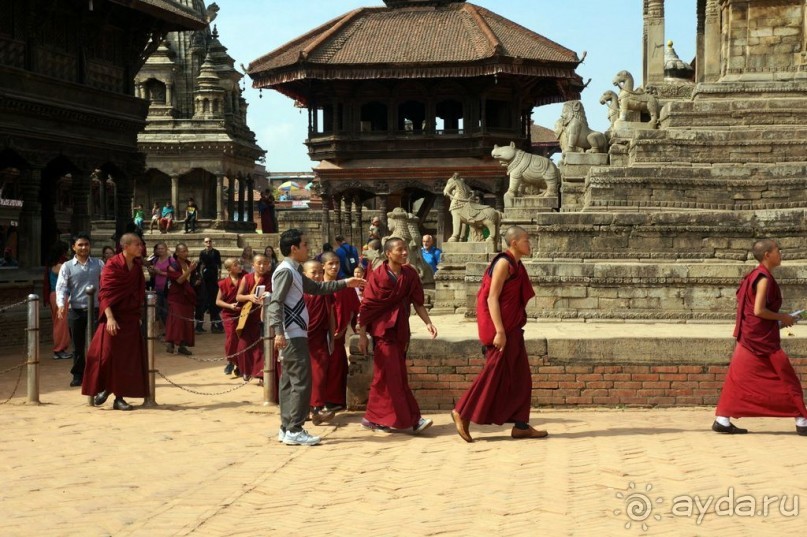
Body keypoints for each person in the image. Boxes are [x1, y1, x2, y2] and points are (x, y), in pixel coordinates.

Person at [268, 228, 365, 446]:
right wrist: (279, 332)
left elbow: (318, 288)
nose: (307, 248)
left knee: (288, 383)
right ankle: (295, 428)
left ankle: (286, 427)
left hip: (295, 333)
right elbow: (276, 303)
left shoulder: (293, 271)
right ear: (294, 248)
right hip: (292, 333)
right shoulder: (285, 271)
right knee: (301, 382)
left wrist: (345, 283)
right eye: (304, 244)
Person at [451, 226, 547, 442]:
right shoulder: (504, 263)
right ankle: (462, 412)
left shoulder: (516, 264)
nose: (529, 244)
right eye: (526, 240)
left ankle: (521, 426)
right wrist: (500, 331)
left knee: (521, 378)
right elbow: (491, 298)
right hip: (501, 329)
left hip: (511, 327)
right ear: (514, 243)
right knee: (492, 374)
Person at [713, 239, 807, 436]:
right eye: (777, 251)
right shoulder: (763, 278)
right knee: (787, 378)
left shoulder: (756, 275)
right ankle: (802, 421)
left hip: (750, 335)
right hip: (761, 340)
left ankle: (722, 419)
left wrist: (780, 322)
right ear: (767, 255)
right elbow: (758, 310)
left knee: (736, 379)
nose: (780, 254)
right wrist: (782, 316)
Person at [357, 238, 436, 434]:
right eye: (399, 250)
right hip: (383, 331)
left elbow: (417, 302)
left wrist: (428, 322)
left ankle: (373, 417)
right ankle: (414, 419)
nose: (404, 253)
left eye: (405, 250)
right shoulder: (378, 276)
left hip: (401, 330)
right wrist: (362, 335)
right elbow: (366, 307)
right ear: (388, 254)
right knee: (395, 376)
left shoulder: (409, 274)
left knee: (384, 376)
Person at [81, 233, 149, 411]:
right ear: (125, 247)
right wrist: (109, 317)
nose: (140, 248)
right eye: (137, 245)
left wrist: (138, 315)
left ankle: (119, 397)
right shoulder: (112, 265)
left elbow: (138, 293)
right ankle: (104, 387)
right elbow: (105, 293)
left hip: (130, 318)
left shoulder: (136, 267)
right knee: (105, 355)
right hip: (113, 317)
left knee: (127, 359)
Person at [56, 232, 104, 387]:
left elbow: (105, 285)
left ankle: (97, 374)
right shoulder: (67, 266)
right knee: (77, 345)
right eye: (80, 245)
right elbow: (61, 287)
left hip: (96, 310)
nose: (84, 247)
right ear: (73, 247)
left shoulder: (99, 264)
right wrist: (61, 305)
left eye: (86, 244)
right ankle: (78, 375)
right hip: (76, 310)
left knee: (97, 344)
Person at [322, 251, 360, 413]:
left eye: (337, 263)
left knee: (337, 367)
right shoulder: (315, 285)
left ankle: (335, 399)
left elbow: (355, 311)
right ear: (323, 265)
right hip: (318, 335)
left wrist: (357, 327)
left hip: (338, 335)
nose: (334, 267)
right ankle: (317, 400)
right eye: (330, 263)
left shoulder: (346, 286)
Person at [302, 260, 337, 424]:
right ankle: (304, 410)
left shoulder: (325, 291)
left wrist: (332, 336)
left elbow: (330, 315)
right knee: (302, 374)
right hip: (300, 339)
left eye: (318, 272)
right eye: (312, 272)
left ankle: (316, 408)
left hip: (319, 339)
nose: (316, 276)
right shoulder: (297, 292)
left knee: (319, 373)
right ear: (304, 275)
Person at [235, 253, 273, 385]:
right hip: (248, 317)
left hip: (263, 317)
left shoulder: (271, 278)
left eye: (265, 263)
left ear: (269, 265)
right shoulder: (247, 278)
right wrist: (250, 297)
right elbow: (238, 297)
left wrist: (268, 298)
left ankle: (261, 373)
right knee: (244, 346)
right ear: (253, 265)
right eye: (259, 263)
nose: (262, 266)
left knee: (262, 347)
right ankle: (246, 371)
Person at [165, 243, 197, 355]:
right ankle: (171, 342)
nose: (185, 253)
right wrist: (190, 270)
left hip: (187, 297)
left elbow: (192, 279)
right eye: (183, 251)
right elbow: (179, 280)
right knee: (176, 321)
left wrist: (197, 280)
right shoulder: (173, 266)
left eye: (186, 250)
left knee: (186, 321)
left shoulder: (189, 263)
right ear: (177, 253)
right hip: (176, 297)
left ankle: (182, 345)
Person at [216, 258, 244, 378]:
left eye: (239, 264)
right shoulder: (223, 283)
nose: (239, 266)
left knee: (242, 339)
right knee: (232, 337)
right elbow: (218, 301)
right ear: (228, 269)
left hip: (244, 313)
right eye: (235, 265)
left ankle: (240, 365)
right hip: (229, 314)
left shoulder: (245, 278)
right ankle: (231, 361)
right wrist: (230, 306)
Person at [45, 241, 72, 361]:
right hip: (60, 296)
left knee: (60, 323)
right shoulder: (60, 266)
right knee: (61, 324)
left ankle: (60, 349)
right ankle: (59, 349)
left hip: (55, 295)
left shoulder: (54, 264)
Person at [196, 237, 223, 333]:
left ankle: (215, 325)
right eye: (206, 242)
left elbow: (219, 265)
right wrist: (200, 276)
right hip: (205, 280)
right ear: (204, 243)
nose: (208, 243)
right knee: (203, 302)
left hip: (213, 279)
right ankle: (199, 326)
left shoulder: (216, 252)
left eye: (210, 241)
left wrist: (219, 275)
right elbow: (201, 265)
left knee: (213, 302)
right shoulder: (202, 253)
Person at [147, 242, 171, 336]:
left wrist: (160, 272)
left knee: (166, 312)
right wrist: (152, 271)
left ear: (166, 249)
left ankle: (169, 332)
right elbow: (153, 275)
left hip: (167, 289)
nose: (160, 250)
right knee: (158, 312)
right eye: (158, 249)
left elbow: (174, 275)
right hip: (157, 288)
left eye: (162, 248)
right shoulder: (155, 260)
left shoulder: (171, 260)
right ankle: (161, 331)